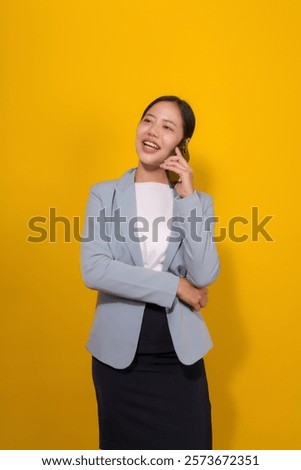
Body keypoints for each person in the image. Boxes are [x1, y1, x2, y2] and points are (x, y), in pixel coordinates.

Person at [80, 95, 220, 450]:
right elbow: (96, 270)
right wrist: (175, 285)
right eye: (148, 120)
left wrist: (188, 199)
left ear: (180, 144)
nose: (153, 132)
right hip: (118, 361)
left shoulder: (197, 202)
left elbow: (203, 274)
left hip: (179, 358)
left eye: (167, 127)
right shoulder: (104, 194)